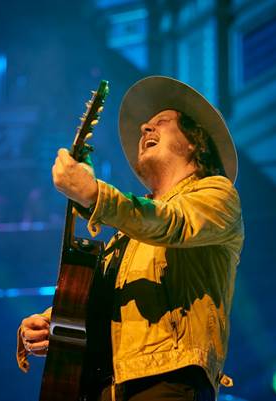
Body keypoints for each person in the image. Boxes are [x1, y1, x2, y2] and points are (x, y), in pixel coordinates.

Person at [16, 76, 244, 401]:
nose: (144, 128)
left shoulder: (217, 194)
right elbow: (100, 298)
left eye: (161, 122)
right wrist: (49, 323)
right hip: (106, 388)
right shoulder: (127, 231)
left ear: (194, 142)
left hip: (169, 380)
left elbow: (171, 222)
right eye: (146, 125)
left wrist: (94, 195)